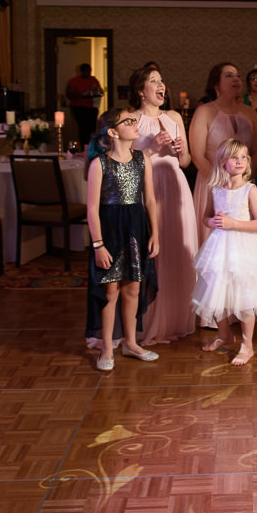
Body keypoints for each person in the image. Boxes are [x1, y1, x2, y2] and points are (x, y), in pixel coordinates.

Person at [84, 107, 160, 371]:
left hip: (136, 228)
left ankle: (131, 342)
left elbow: (149, 200)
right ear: (114, 132)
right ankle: (107, 346)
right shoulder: (99, 163)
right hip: (110, 230)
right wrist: (98, 245)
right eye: (128, 121)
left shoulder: (142, 159)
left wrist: (155, 234)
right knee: (110, 290)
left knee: (134, 287)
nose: (135, 123)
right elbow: (92, 209)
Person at [129, 66, 199, 346]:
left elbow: (185, 162)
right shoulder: (131, 120)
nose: (161, 86)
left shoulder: (173, 118)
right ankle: (148, 318)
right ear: (140, 91)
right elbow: (126, 164)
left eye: (162, 80)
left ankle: (177, 316)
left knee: (177, 249)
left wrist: (181, 152)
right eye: (153, 81)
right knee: (151, 250)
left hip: (175, 186)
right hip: (148, 188)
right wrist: (151, 149)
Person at [191, 139, 257, 366]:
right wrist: (213, 221)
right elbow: (206, 217)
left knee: (245, 294)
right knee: (216, 290)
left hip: (243, 247)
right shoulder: (215, 189)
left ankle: (247, 345)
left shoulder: (250, 189)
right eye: (234, 158)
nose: (240, 162)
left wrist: (232, 224)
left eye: (243, 157)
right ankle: (224, 334)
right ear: (222, 162)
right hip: (219, 246)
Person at [189, 62, 257, 244]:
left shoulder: (250, 113)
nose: (236, 79)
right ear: (216, 85)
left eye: (237, 75)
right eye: (229, 75)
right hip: (211, 184)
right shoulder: (204, 111)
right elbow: (197, 156)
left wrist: (243, 181)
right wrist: (221, 182)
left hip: (241, 184)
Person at [65, 63, 104, 148]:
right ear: (81, 71)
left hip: (92, 107)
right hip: (79, 107)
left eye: (89, 71)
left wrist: (94, 93)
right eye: (85, 71)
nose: (87, 73)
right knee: (83, 129)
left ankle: (92, 147)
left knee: (92, 129)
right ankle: (84, 147)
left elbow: (100, 92)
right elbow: (71, 94)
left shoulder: (93, 80)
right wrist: (83, 94)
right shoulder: (74, 81)